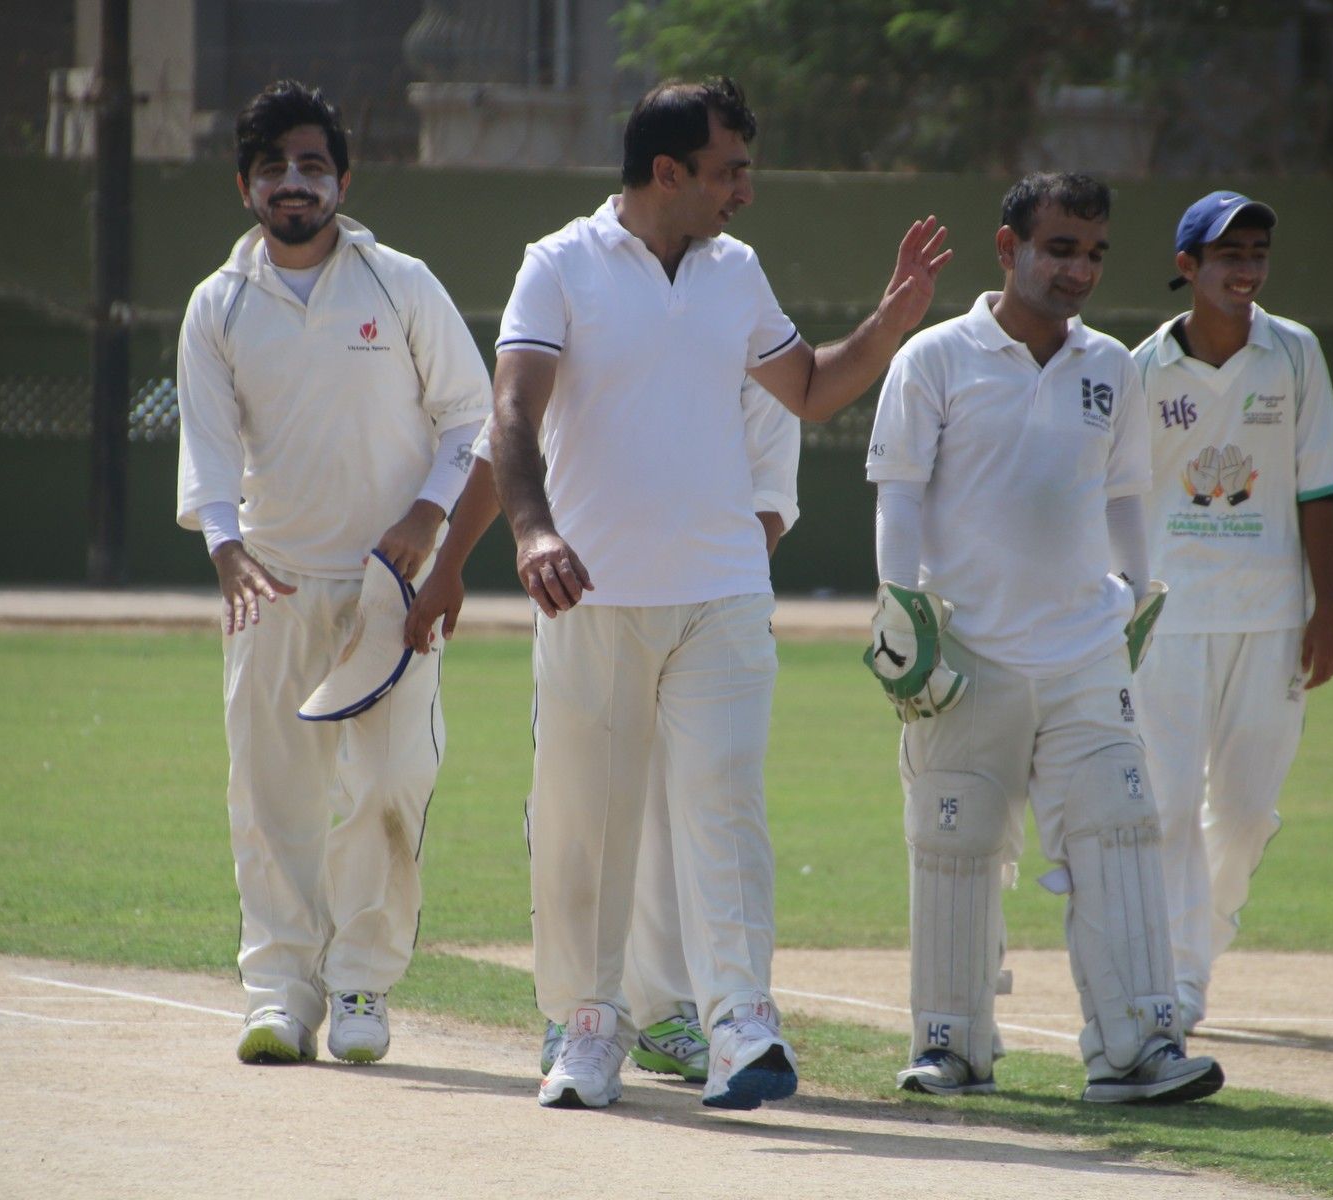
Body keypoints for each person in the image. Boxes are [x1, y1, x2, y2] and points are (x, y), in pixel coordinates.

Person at [486, 75, 949, 1111]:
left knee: (724, 807)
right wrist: (534, 529)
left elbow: (809, 388)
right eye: (729, 171)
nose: (744, 190)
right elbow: (512, 411)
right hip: (592, 598)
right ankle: (588, 1029)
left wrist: (889, 322)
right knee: (587, 823)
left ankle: (739, 1022)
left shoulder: (735, 271)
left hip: (723, 593)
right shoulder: (557, 265)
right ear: (668, 171)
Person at [863, 172, 1223, 1104]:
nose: (1079, 270)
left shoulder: (1111, 366)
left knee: (1119, 832)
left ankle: (1137, 1047)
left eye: (1095, 253)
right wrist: (904, 610)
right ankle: (950, 1045)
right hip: (965, 652)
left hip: (1084, 648)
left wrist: (1137, 593)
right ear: (1008, 247)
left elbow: (1125, 492)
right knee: (955, 844)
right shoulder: (936, 358)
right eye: (1061, 249)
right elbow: (900, 490)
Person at [174, 80, 492, 1065]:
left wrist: (427, 515)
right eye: (272, 167)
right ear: (245, 187)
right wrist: (225, 546)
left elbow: (472, 416)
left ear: (343, 183)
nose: (293, 182)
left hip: (390, 592)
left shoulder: (399, 282)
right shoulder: (218, 305)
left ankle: (359, 987)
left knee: (391, 783)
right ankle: (280, 993)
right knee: (272, 796)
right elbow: (207, 448)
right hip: (271, 581)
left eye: (312, 165)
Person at [406, 380, 801, 1086]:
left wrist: (713, 585)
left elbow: (768, 498)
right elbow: (508, 433)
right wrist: (452, 560)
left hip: (707, 612)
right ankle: (578, 1014)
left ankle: (667, 1009)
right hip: (590, 603)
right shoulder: (572, 318)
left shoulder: (750, 331)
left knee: (700, 807)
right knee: (578, 810)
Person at [1131, 191, 1333, 1032]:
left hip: (1270, 614)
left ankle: (1205, 934)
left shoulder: (1295, 353)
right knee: (1168, 804)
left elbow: (1319, 487)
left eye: (1257, 253)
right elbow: (1117, 496)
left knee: (1247, 812)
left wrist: (1326, 610)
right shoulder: (1142, 368)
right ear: (1188, 267)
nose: (1247, 269)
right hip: (1169, 616)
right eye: (1229, 255)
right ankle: (1181, 979)